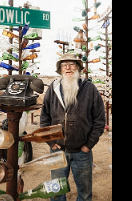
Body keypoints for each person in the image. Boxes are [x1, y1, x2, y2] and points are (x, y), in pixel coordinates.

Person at [40, 53, 106, 201]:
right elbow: (44, 118)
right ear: (60, 69)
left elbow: (99, 120)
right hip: (57, 150)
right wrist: (51, 142)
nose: (68, 67)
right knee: (56, 191)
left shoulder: (90, 89)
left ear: (78, 68)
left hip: (82, 152)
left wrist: (88, 145)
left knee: (84, 192)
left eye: (71, 64)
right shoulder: (53, 88)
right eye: (64, 65)